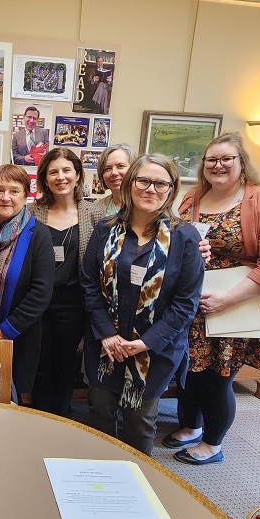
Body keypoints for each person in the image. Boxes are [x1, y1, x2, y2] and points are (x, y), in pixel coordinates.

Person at [166, 131, 260, 465]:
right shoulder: (193, 198)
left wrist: (227, 300)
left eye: (227, 159)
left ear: (242, 163)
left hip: (241, 303)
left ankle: (212, 443)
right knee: (191, 369)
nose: (218, 165)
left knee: (218, 376)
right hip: (195, 303)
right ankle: (190, 426)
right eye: (211, 159)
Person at [81, 154, 204, 455]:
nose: (151, 189)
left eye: (161, 183)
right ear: (130, 183)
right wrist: (108, 335)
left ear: (172, 189)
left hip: (155, 351)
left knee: (140, 424)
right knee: (99, 417)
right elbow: (88, 286)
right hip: (105, 346)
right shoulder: (105, 229)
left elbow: (185, 304)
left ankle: (135, 489)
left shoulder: (185, 238)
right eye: (144, 180)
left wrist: (145, 343)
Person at [28, 147, 105, 415]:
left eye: (66, 170)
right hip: (36, 302)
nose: (60, 177)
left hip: (73, 305)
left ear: (77, 174)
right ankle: (38, 419)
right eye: (53, 172)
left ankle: (60, 420)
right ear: (44, 178)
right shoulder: (31, 212)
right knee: (39, 365)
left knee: (64, 367)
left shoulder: (93, 214)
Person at [0, 164, 55, 401]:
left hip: (16, 334)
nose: (5, 197)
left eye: (14, 191)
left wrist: (4, 331)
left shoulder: (38, 234)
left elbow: (41, 293)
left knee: (9, 401)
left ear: (26, 195)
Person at [91, 144, 134, 216]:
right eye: (108, 168)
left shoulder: (147, 205)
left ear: (133, 169)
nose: (114, 173)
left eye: (120, 166)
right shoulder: (96, 208)